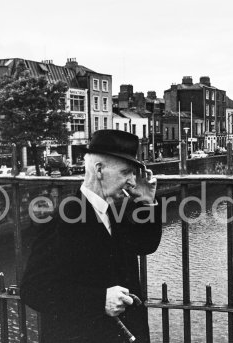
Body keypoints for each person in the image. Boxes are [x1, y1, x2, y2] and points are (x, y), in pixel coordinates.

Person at [21, 130, 162, 343]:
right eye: (126, 172)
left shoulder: (113, 210)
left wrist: (147, 201)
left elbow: (145, 244)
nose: (133, 182)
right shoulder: (64, 217)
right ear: (99, 170)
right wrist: (100, 300)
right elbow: (34, 289)